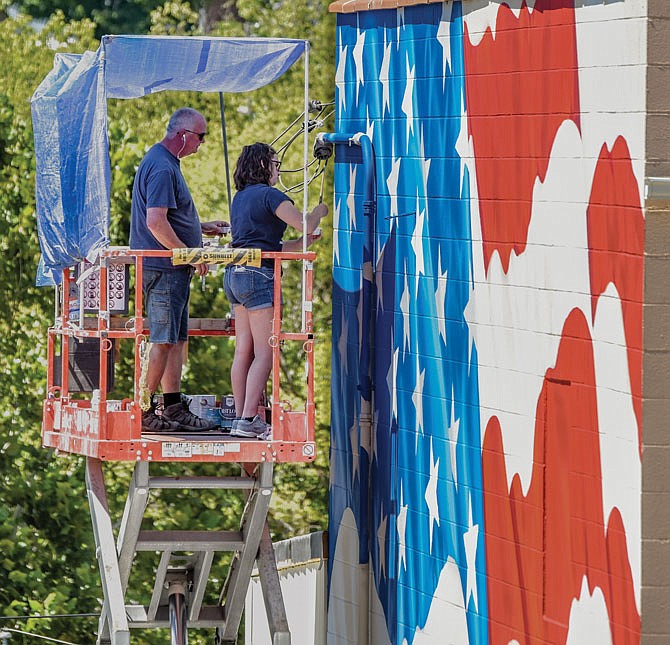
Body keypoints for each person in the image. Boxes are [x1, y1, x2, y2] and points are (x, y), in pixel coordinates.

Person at [130, 107, 229, 433]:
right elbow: (155, 222)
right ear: (184, 135)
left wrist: (200, 228)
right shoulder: (161, 167)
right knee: (162, 340)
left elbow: (169, 215)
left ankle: (171, 405)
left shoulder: (165, 163)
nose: (202, 143)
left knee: (173, 340)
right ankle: (143, 413)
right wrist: (188, 253)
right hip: (164, 269)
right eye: (201, 137)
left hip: (170, 269)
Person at [224, 142, 328, 438]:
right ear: (263, 165)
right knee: (267, 351)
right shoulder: (271, 196)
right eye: (276, 164)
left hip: (236, 274)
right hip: (259, 276)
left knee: (243, 350)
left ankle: (240, 419)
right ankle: (248, 419)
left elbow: (274, 245)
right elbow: (304, 224)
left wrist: (305, 243)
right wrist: (319, 211)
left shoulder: (240, 198)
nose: (277, 170)